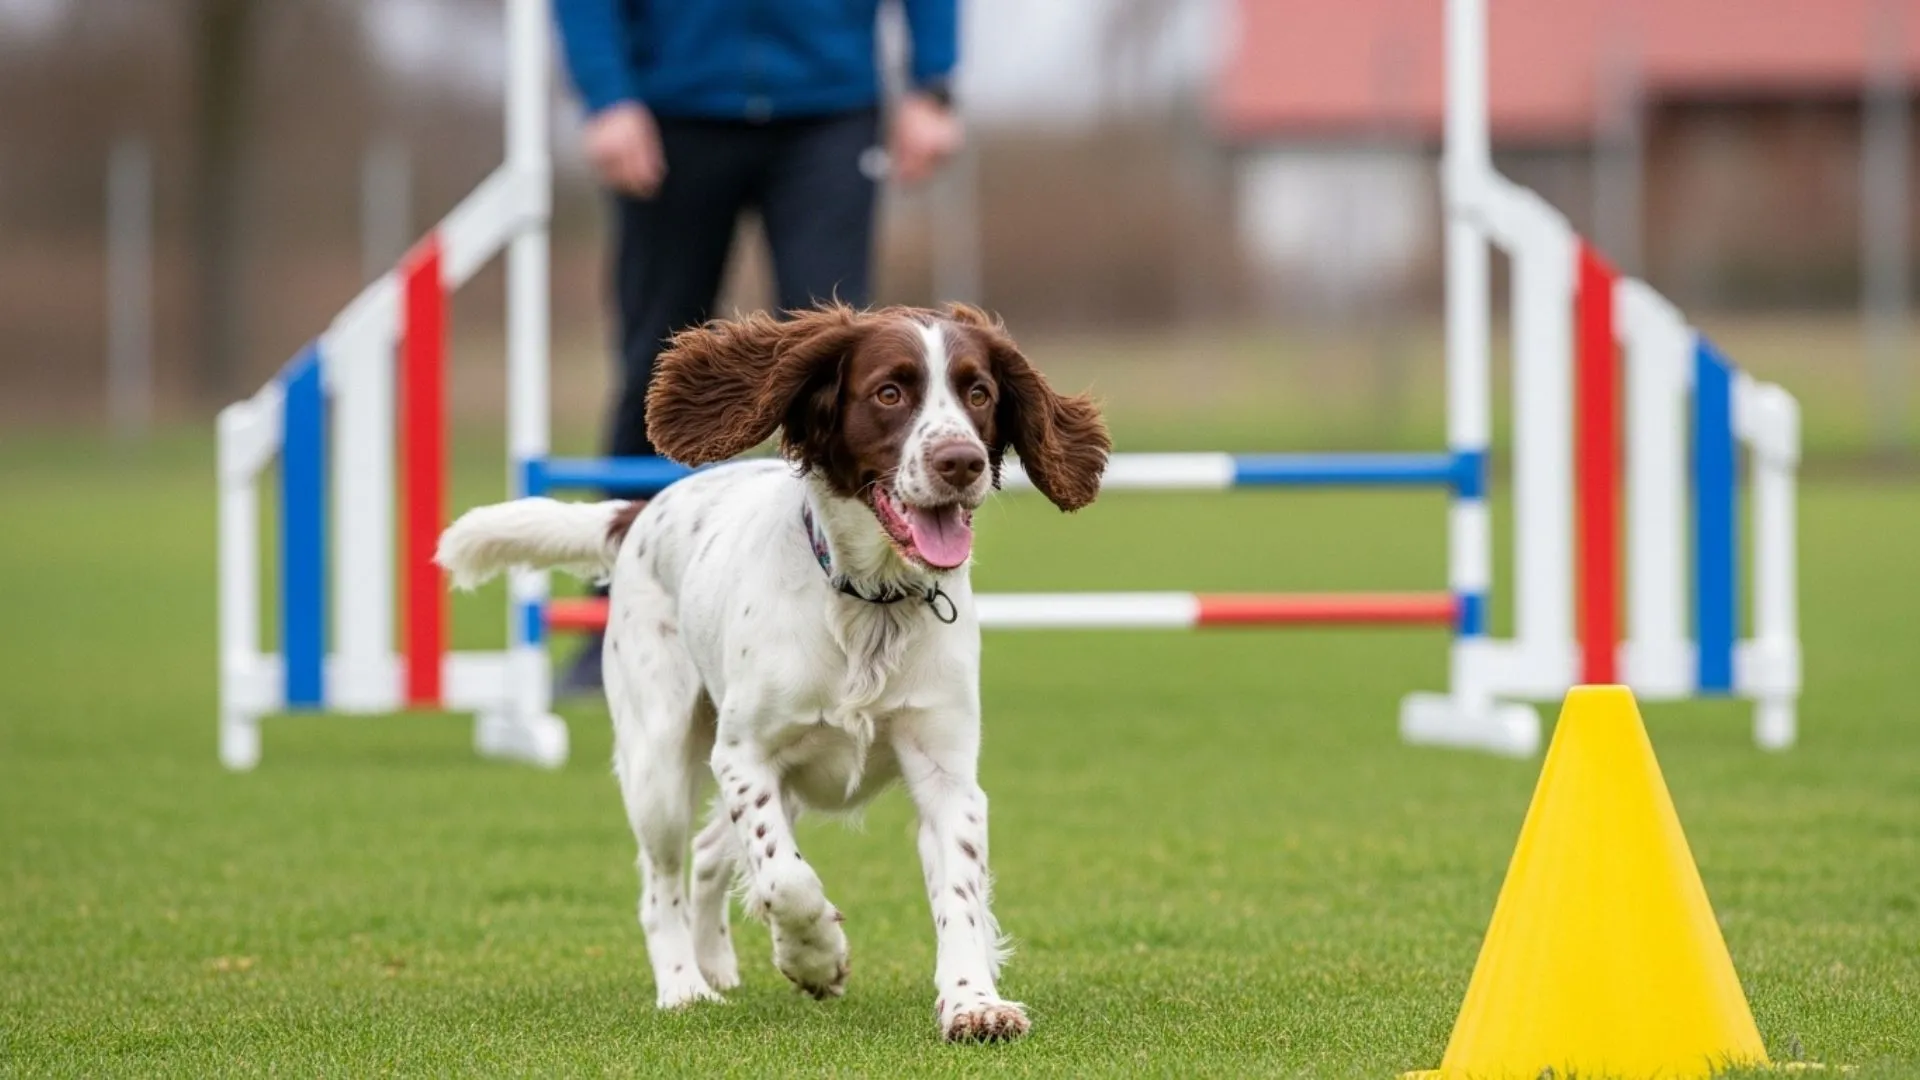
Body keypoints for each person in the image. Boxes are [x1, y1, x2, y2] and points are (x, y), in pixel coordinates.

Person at [552, 0, 966, 695]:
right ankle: (616, 621)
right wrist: (607, 93)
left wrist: (933, 85)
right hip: (672, 110)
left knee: (839, 370)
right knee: (657, 372)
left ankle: (845, 613)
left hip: (829, 108)